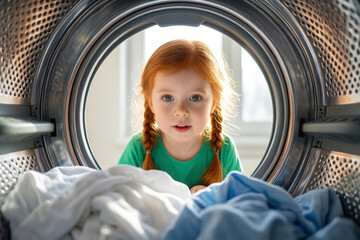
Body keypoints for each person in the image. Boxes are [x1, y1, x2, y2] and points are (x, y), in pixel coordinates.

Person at [118, 39, 242, 194]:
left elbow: (238, 202)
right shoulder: (138, 149)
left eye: (195, 98)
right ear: (151, 103)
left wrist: (211, 196)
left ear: (214, 103)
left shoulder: (224, 149)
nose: (181, 111)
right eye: (168, 98)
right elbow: (120, 200)